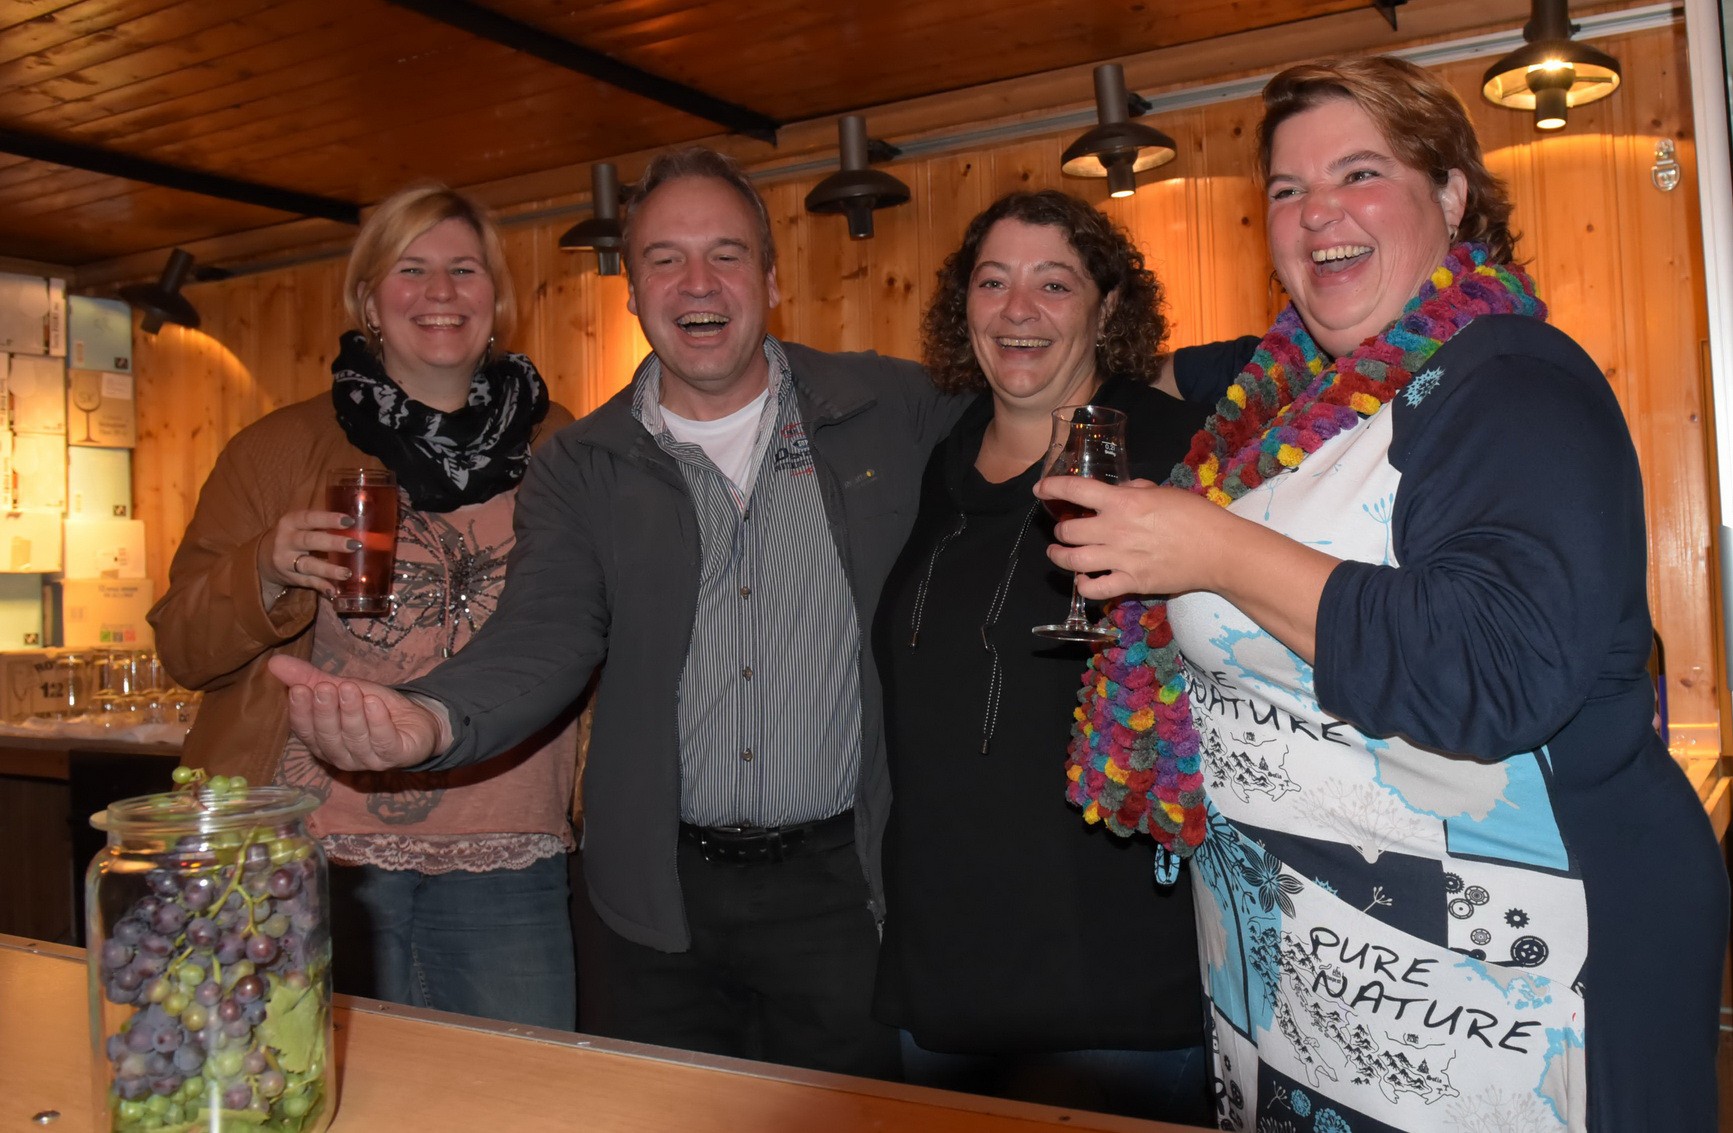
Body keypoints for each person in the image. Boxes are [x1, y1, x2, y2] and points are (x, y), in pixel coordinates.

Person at [1036, 56, 1729, 1131]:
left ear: (1450, 193)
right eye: (1286, 189)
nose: (1318, 212)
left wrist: (1212, 549)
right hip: (1312, 992)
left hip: (1507, 991)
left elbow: (1498, 669)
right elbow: (1186, 377)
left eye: (1358, 173)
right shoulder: (1286, 400)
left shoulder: (1511, 380)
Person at [265, 146, 965, 1079]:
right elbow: (544, 632)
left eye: (725, 254)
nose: (697, 282)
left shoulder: (889, 407)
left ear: (770, 277)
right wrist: (428, 717)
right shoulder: (580, 462)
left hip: (849, 890)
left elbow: (1033, 428)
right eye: (665, 259)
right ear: (632, 291)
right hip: (655, 901)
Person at [148, 183, 582, 1031]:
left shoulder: (560, 442)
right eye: (410, 269)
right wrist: (264, 569)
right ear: (369, 301)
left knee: (514, 1090)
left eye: (464, 269)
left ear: (496, 300)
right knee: (317, 1086)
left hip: (510, 849)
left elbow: (594, 625)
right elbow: (182, 647)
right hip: (319, 855)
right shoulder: (278, 447)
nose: (440, 291)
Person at [871, 189, 1212, 1123]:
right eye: (992, 282)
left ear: (1107, 307)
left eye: (1053, 283)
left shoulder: (1174, 451)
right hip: (945, 974)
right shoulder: (939, 458)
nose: (1016, 309)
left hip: (1109, 980)